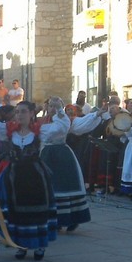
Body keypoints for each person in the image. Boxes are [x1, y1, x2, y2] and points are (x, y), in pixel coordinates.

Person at [0, 99, 60, 260]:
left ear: (32, 113)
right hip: (15, 175)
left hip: (35, 175)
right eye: (17, 112)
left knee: (37, 208)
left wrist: (59, 110)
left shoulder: (40, 130)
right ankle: (20, 245)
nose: (19, 115)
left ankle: (39, 245)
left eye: (23, 111)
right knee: (16, 210)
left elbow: (62, 127)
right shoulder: (9, 130)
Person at [39, 99, 91, 232]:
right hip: (46, 154)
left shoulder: (64, 120)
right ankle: (53, 219)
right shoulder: (41, 121)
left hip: (62, 155)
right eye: (50, 106)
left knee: (67, 185)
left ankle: (73, 218)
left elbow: (61, 128)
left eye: (55, 106)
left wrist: (59, 111)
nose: (52, 108)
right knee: (49, 187)